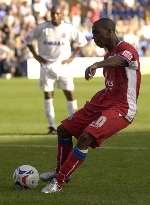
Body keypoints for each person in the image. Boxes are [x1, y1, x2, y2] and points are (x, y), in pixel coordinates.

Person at [40, 18, 141, 193]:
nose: (94, 38)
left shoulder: (127, 50)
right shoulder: (108, 54)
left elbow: (121, 60)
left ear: (110, 32)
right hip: (103, 101)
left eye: (97, 33)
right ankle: (61, 171)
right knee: (64, 129)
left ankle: (59, 181)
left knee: (85, 138)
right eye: (93, 34)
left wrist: (97, 64)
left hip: (122, 108)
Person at [24, 5, 87, 134]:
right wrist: (36, 56)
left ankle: (73, 123)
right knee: (48, 95)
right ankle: (52, 126)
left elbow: (82, 42)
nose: (55, 16)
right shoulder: (42, 28)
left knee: (69, 93)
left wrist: (71, 58)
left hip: (64, 67)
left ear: (62, 14)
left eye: (57, 13)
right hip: (47, 66)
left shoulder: (69, 28)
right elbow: (27, 40)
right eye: (53, 14)